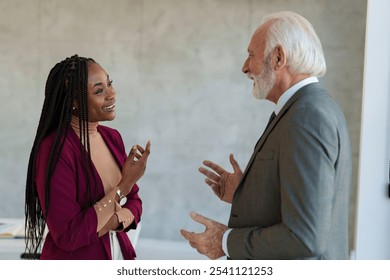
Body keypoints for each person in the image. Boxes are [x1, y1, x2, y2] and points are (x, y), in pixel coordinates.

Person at [181, 11, 352, 260]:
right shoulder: (304, 108)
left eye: (251, 55)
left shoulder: (308, 116)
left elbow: (305, 237)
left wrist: (225, 241)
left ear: (278, 57)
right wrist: (247, 193)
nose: (244, 67)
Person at [25, 54, 151, 260]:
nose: (112, 94)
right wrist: (123, 188)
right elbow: (68, 236)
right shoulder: (55, 150)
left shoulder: (112, 137)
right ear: (75, 102)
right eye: (99, 91)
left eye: (110, 83)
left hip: (118, 254)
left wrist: (106, 220)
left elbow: (135, 202)